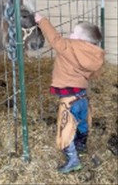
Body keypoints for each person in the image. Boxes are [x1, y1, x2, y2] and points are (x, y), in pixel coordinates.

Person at [35, 13, 105, 174]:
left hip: (68, 99)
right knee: (82, 122)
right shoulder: (95, 54)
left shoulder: (69, 46)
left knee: (65, 129)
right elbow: (94, 74)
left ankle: (73, 160)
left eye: (73, 32)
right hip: (82, 97)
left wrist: (42, 21)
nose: (70, 35)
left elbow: (55, 39)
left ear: (81, 40)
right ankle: (81, 146)